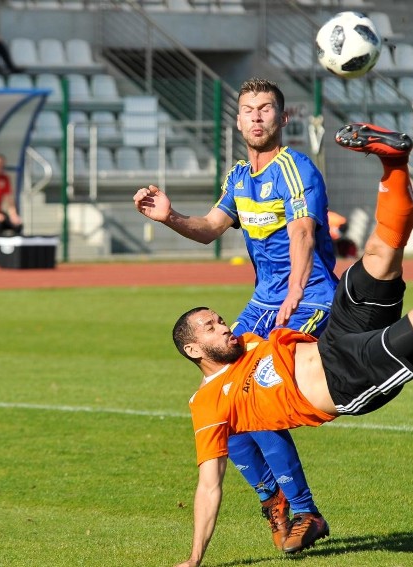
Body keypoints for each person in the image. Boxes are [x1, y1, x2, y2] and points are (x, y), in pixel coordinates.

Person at [166, 123, 413, 567]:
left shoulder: (247, 339)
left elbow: (300, 237)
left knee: (381, 253)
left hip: (333, 338)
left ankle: (394, 163)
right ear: (193, 351)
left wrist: (295, 290)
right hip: (347, 381)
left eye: (219, 319)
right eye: (210, 328)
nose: (223, 327)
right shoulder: (208, 405)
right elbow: (210, 483)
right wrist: (193, 559)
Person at [134, 78, 336, 553]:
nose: (257, 117)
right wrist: (169, 216)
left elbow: (304, 234)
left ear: (282, 118)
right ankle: (274, 501)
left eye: (266, 109)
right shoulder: (237, 178)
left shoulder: (296, 167)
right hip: (261, 305)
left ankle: (306, 511)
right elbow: (208, 229)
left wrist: (294, 293)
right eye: (248, 110)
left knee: (258, 399)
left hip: (308, 300)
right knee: (222, 402)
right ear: (239, 120)